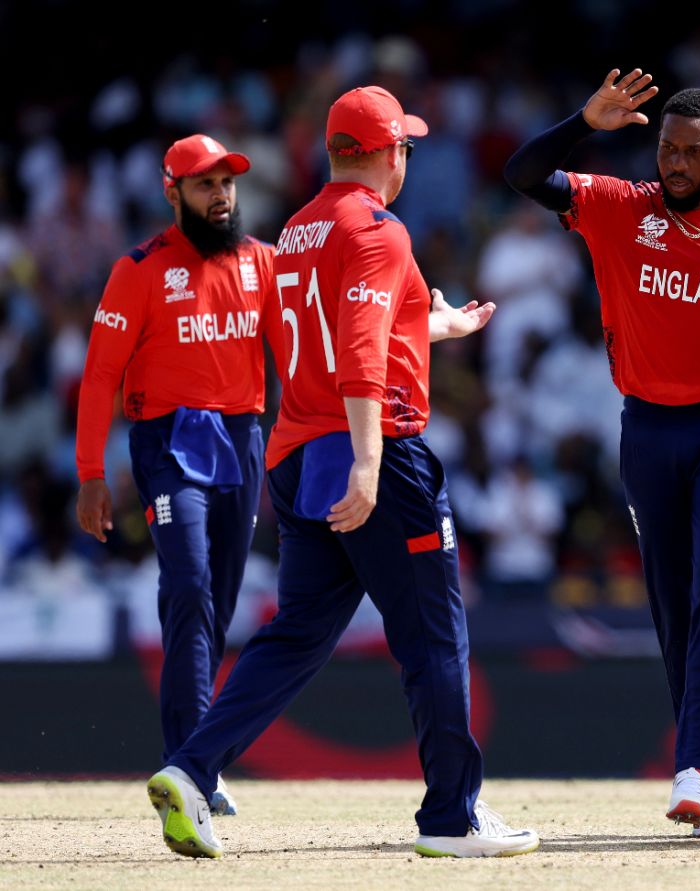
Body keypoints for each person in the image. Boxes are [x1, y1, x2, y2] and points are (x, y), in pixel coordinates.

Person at [144, 85, 539, 860]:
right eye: (406, 147)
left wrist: (448, 322)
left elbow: (367, 324)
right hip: (371, 449)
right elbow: (360, 349)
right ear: (389, 152)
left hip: (295, 455)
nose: (408, 160)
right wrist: (368, 459)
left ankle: (191, 768)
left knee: (296, 634)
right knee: (434, 632)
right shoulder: (379, 231)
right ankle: (452, 816)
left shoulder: (296, 229)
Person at [505, 69, 700, 837]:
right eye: (667, 149)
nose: (673, 163)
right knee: (674, 607)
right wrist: (584, 120)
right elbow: (523, 173)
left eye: (691, 153)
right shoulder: (617, 206)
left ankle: (696, 765)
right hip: (648, 429)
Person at [76, 134, 275, 817]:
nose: (221, 196)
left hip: (242, 436)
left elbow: (316, 333)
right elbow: (100, 373)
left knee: (214, 601)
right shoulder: (138, 268)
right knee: (187, 583)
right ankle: (193, 766)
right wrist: (90, 473)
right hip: (167, 439)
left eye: (227, 184)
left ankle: (195, 759)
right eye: (203, 185)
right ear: (172, 193)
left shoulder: (261, 263)